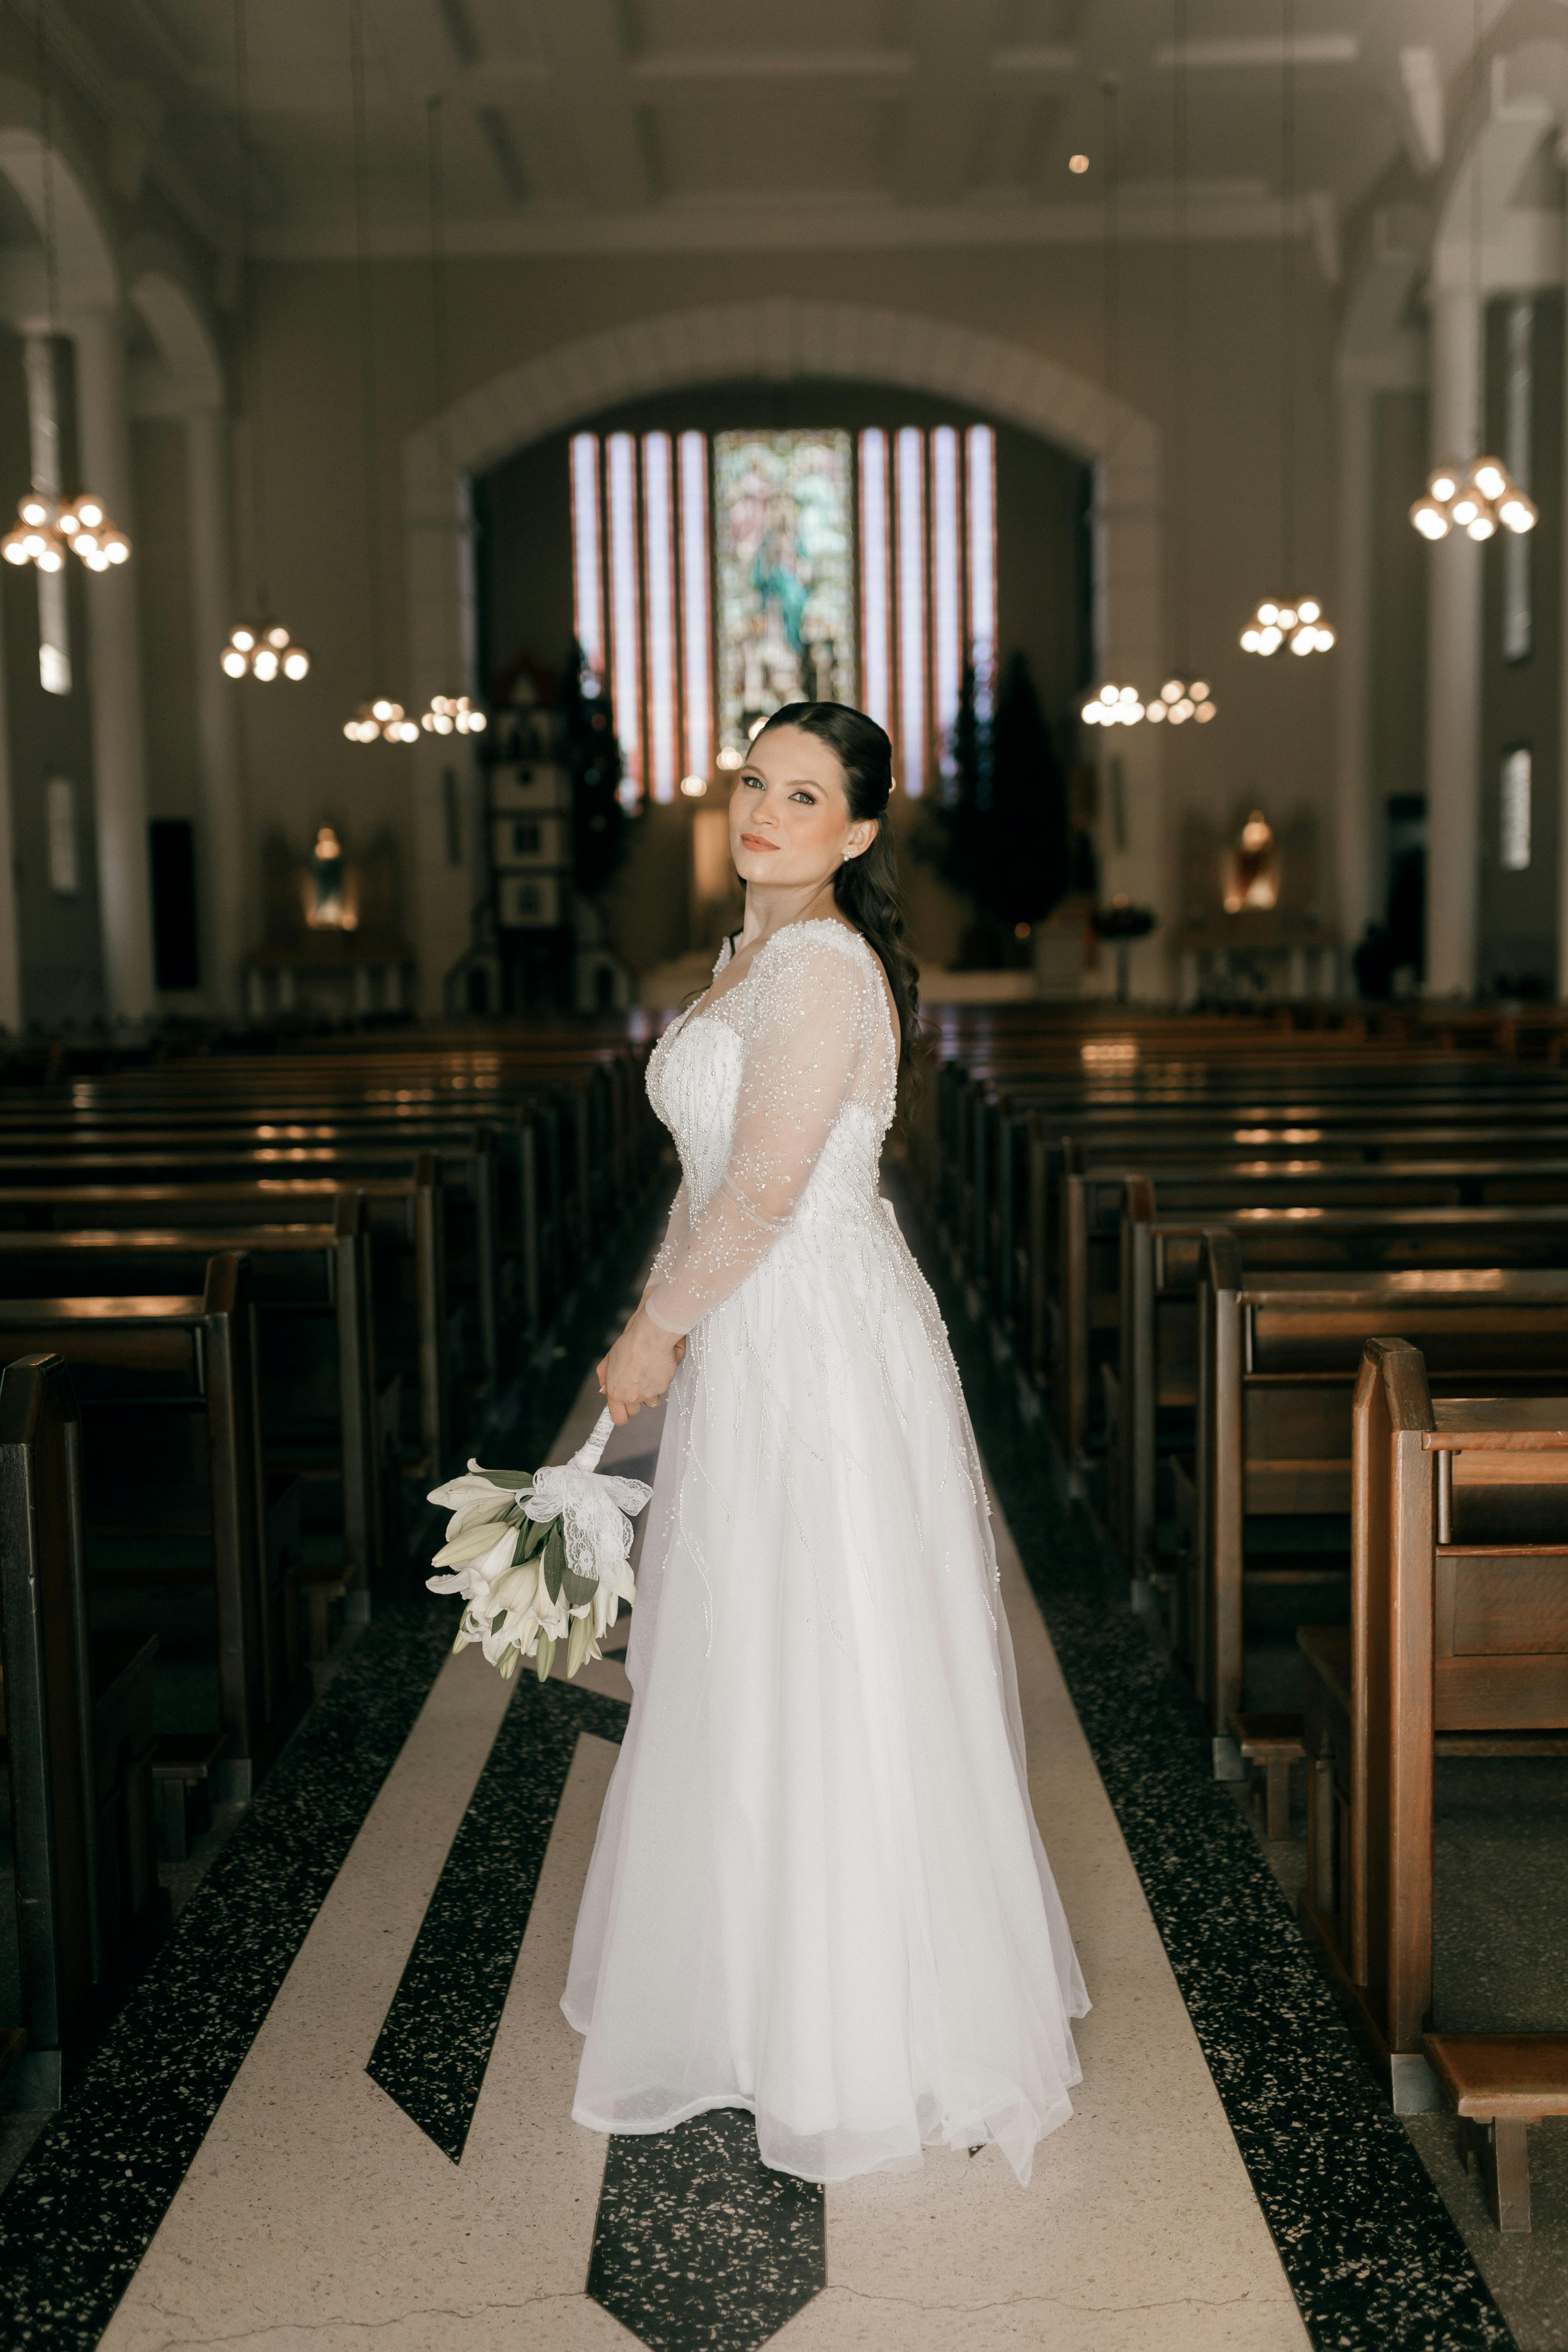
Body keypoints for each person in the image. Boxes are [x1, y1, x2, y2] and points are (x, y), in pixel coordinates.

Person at [564, 702, 1088, 2185]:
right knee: (756, 1645)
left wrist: (658, 1330)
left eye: (804, 796)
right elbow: (707, 1181)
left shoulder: (818, 966)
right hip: (756, 1334)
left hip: (816, 1345)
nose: (765, 812)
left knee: (835, 1647)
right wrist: (655, 1329)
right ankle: (756, 1988)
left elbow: (768, 1189)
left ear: (857, 833)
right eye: (754, 783)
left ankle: (856, 2025)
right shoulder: (742, 960)